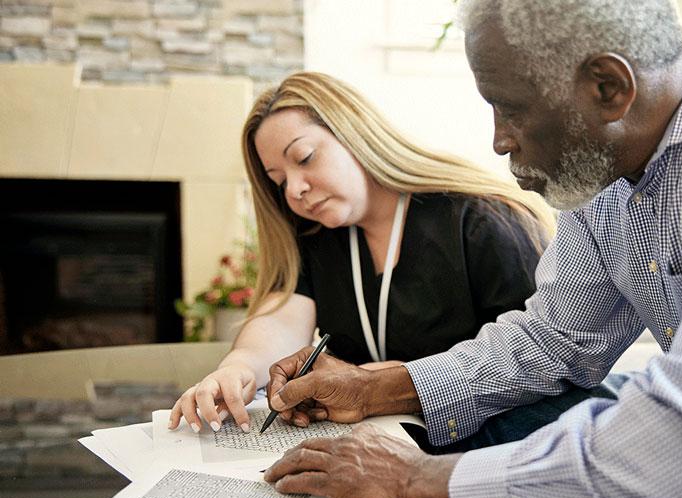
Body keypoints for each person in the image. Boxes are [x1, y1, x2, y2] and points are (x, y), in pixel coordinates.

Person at [260, 1, 682, 498]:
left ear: (609, 87)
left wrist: (417, 482)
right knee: (474, 436)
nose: (498, 140)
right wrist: (374, 387)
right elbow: (551, 343)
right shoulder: (611, 175)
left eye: (510, 108)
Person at [168, 71, 557, 435]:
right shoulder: (318, 236)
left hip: (489, 441)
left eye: (304, 158)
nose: (294, 190)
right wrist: (236, 369)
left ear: (356, 135)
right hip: (372, 441)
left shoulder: (482, 221)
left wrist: (380, 382)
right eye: (279, 180)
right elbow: (281, 322)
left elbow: (536, 356)